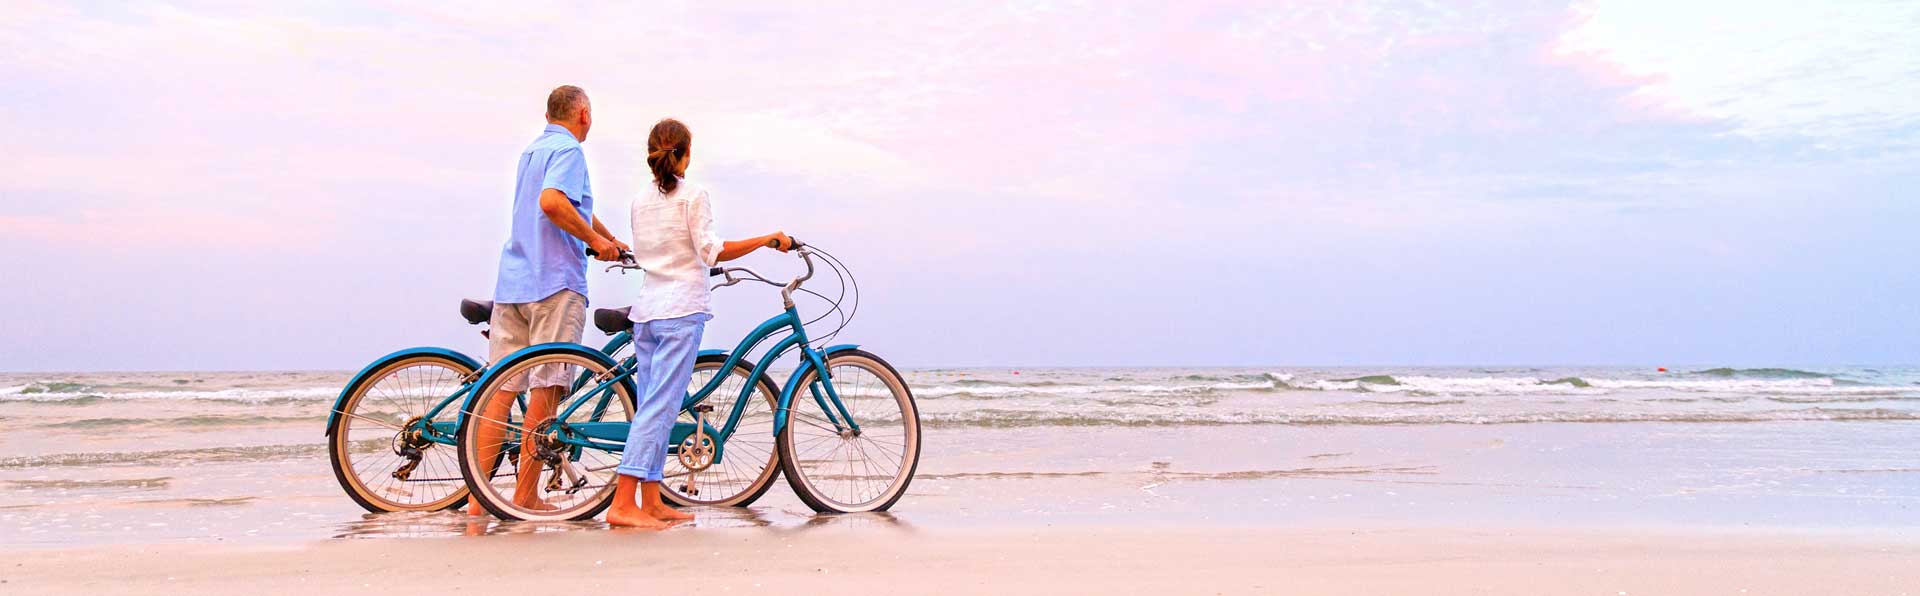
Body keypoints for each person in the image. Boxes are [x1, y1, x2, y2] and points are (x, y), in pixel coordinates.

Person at [605, 118, 794, 528]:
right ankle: (622, 503)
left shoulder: (640, 200)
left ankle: (651, 500)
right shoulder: (694, 196)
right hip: (681, 311)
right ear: (686, 154)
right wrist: (764, 240)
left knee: (655, 406)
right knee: (659, 407)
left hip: (648, 313)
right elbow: (711, 251)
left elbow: (647, 253)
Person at [471, 85, 629, 515]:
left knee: (500, 391)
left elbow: (569, 204)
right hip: (553, 283)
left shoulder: (531, 152)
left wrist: (608, 239)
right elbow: (553, 202)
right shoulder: (571, 153)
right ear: (583, 114)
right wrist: (594, 240)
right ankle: (524, 497)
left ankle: (478, 501)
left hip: (514, 282)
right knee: (546, 389)